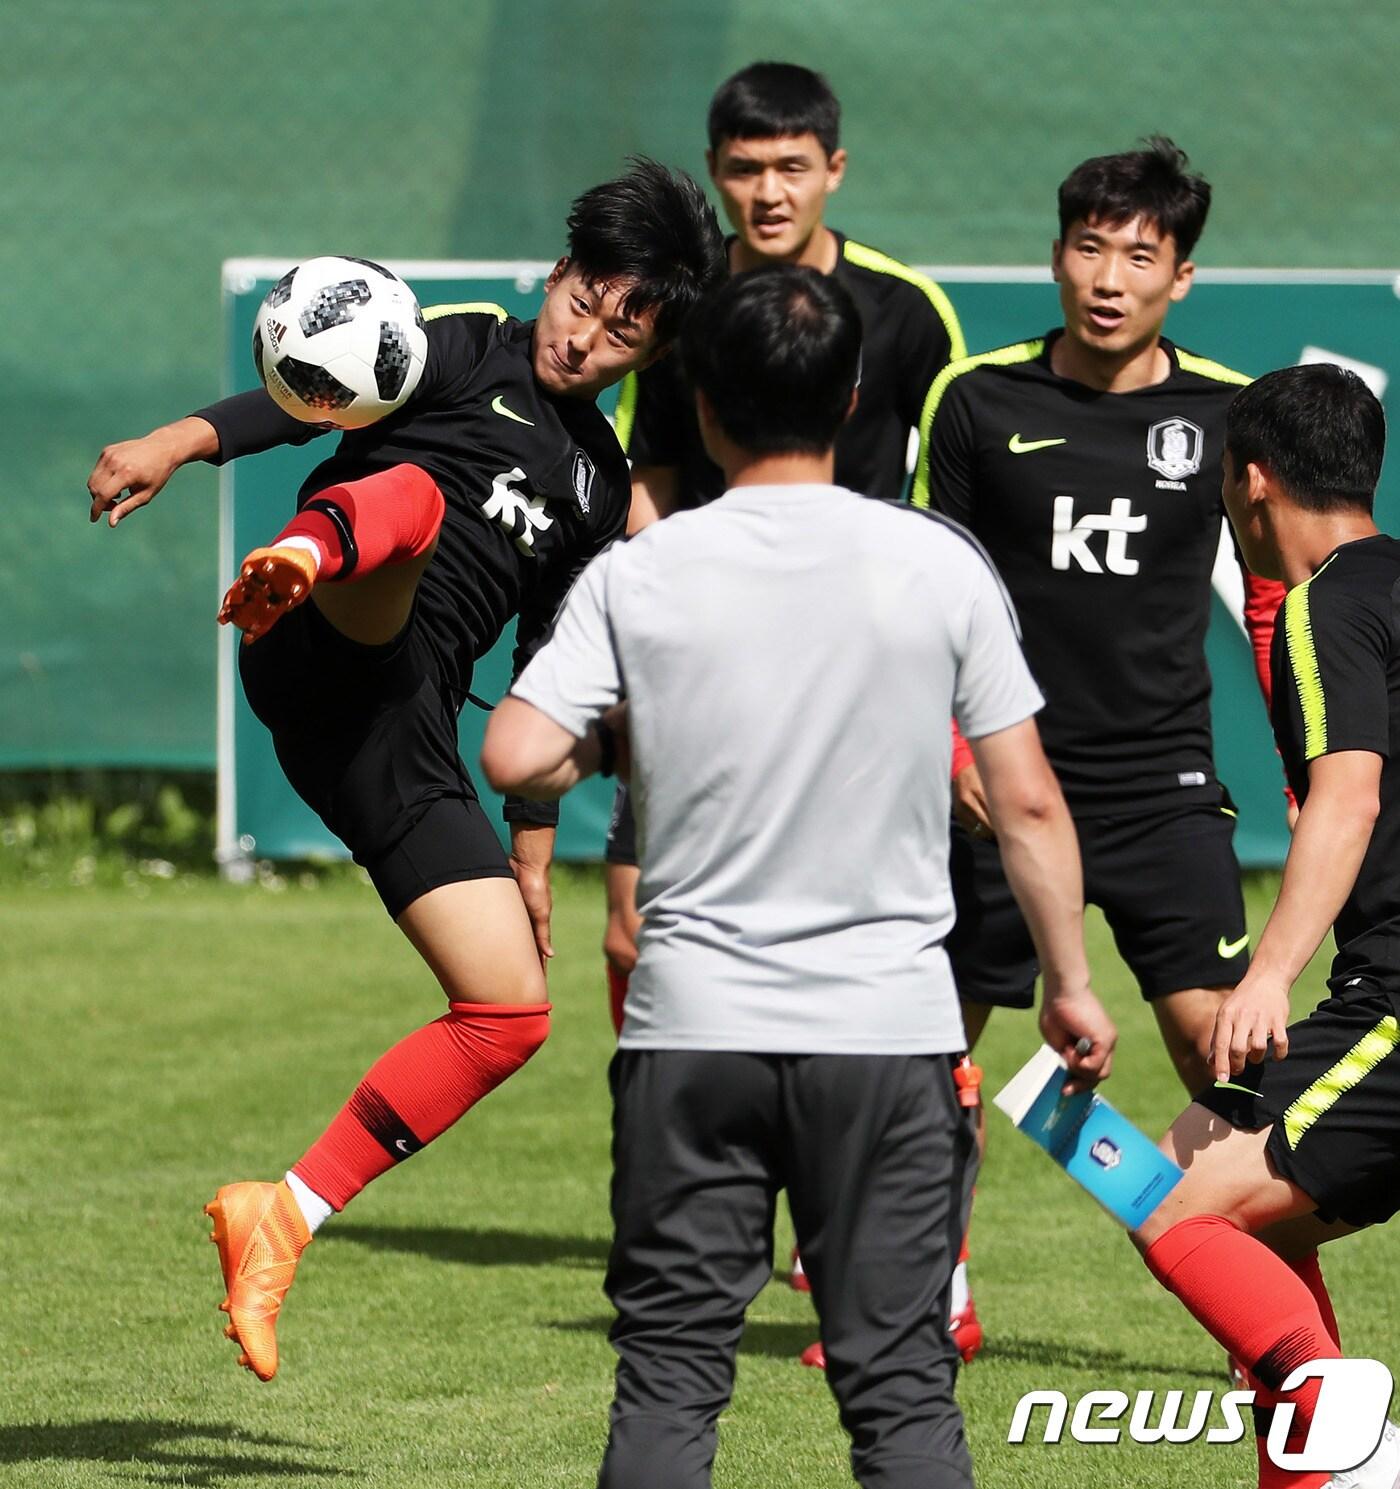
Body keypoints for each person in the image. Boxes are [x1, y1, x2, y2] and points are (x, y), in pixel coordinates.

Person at [85, 159, 725, 1382]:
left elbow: (553, 669)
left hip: (393, 728)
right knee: (418, 499)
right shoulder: (467, 347)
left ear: (650, 353)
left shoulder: (597, 486)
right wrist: (178, 441)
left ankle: (279, 1217)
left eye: (622, 331)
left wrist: (532, 858)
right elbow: (307, 398)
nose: (586, 337)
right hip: (320, 629)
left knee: (508, 1011)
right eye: (584, 299)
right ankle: (306, 550)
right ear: (556, 273)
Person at [481, 265, 1116, 1489]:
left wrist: (616, 737)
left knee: (669, 1378)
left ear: (704, 404)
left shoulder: (641, 571)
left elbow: (517, 751)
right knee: (899, 1390)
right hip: (884, 1034)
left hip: (691, 1034)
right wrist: (1069, 982)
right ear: (856, 399)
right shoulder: (936, 563)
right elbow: (1027, 799)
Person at [916, 136, 1287, 1349]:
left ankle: (1276, 1323)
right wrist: (954, 752)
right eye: (1089, 246)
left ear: (1180, 277)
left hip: (1160, 789)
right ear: (1057, 253)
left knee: (1220, 1048)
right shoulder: (975, 398)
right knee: (935, 1048)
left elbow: (1279, 600)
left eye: (1141, 254)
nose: (1109, 275)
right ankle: (935, 1297)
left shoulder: (1232, 414)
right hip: (999, 784)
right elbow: (924, 595)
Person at [602, 60, 965, 1040]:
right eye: (745, 167)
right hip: (710, 659)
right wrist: (648, 632)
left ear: (833, 168)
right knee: (634, 936)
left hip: (860, 672)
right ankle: (669, 1150)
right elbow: (652, 477)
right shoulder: (680, 309)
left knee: (860, 936)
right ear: (713, 170)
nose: (769, 193)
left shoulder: (906, 312)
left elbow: (948, 494)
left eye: (792, 167)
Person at [1133, 363, 1400, 1489]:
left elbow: (1345, 794)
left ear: (1250, 482)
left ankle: (1348, 1458)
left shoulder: (1322, 602)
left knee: (1173, 1204)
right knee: (1262, 1218)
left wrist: (1268, 974)